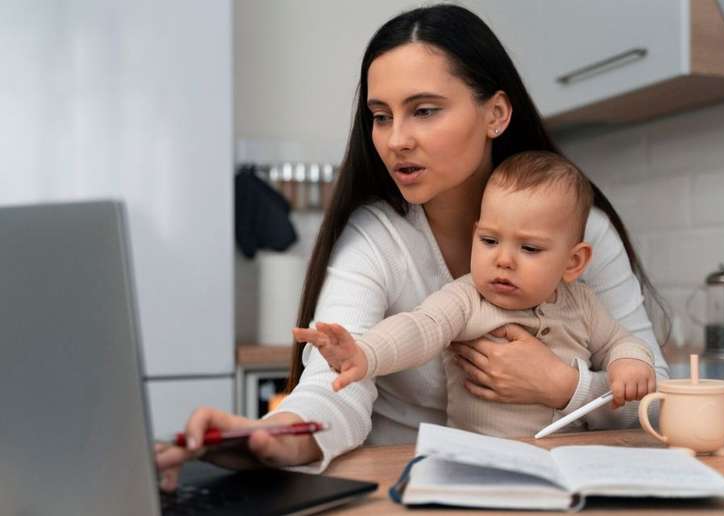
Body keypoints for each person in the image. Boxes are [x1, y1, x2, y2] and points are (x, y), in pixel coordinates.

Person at [155, 4, 670, 489]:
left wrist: (564, 387)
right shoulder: (376, 238)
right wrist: (273, 436)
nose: (396, 139)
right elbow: (336, 383)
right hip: (410, 490)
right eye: (381, 116)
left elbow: (659, 399)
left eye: (424, 110)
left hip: (550, 486)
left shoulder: (581, 231)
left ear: (495, 114)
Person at [293, 151, 656, 438]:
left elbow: (620, 341)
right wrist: (365, 354)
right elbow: (420, 328)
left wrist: (630, 363)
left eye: (529, 249)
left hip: (571, 460)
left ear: (573, 262)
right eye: (489, 241)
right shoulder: (468, 297)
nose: (503, 260)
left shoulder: (583, 303)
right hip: (482, 458)